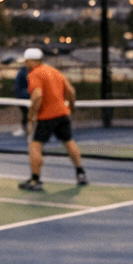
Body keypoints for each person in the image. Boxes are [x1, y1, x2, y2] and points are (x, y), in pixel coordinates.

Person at [18, 47, 87, 191]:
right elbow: (71, 91)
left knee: (35, 145)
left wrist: (31, 118)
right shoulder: (54, 71)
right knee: (68, 142)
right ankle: (81, 173)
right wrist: (72, 107)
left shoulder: (34, 74)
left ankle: (35, 181)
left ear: (31, 61)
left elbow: (37, 95)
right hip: (62, 114)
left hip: (46, 117)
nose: (25, 64)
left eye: (26, 61)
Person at [11, 60, 30, 137]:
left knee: (28, 114)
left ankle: (26, 130)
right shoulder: (23, 72)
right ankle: (25, 129)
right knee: (27, 114)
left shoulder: (24, 72)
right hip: (23, 98)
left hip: (23, 97)